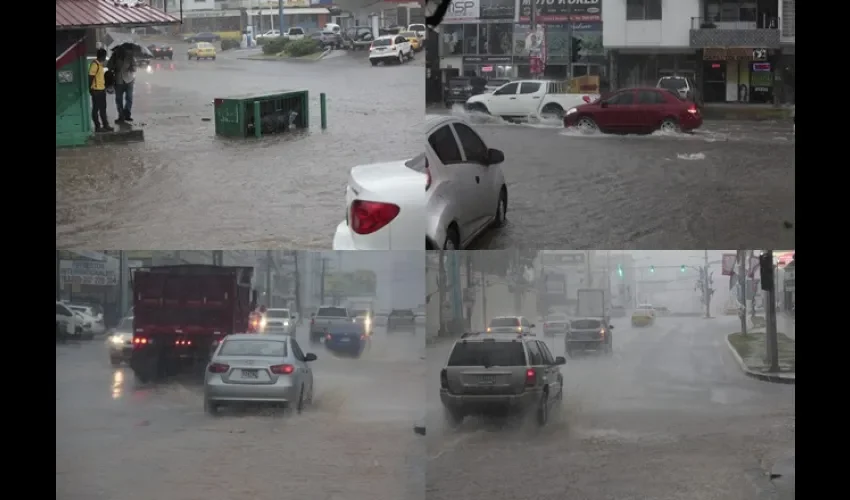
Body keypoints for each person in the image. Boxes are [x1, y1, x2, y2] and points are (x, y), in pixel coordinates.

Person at [88, 48, 113, 132]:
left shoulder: (100, 64)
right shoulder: (95, 64)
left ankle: (106, 125)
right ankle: (97, 127)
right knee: (96, 109)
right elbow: (90, 77)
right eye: (104, 56)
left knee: (103, 109)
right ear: (102, 56)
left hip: (102, 90)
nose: (105, 58)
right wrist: (90, 88)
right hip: (96, 91)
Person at [110, 45, 136, 123]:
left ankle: (127, 114)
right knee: (119, 99)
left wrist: (132, 68)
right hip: (118, 81)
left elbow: (135, 67)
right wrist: (114, 67)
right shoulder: (114, 57)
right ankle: (121, 116)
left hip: (129, 80)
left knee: (129, 98)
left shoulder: (130, 57)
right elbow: (109, 66)